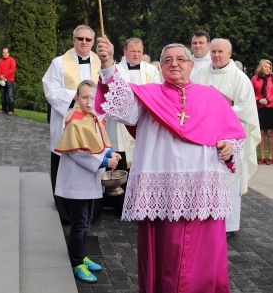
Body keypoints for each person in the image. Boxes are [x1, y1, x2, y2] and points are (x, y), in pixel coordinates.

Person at [94, 38, 245, 293]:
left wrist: (230, 148)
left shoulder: (212, 98)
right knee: (165, 253)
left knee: (203, 257)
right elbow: (121, 106)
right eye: (167, 60)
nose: (174, 64)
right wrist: (108, 64)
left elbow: (234, 136)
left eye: (181, 59)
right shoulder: (147, 96)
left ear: (191, 66)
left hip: (201, 191)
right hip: (163, 191)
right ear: (160, 67)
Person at [54, 80, 121, 283]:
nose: (89, 101)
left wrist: (110, 151)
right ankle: (76, 262)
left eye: (93, 97)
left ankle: (81, 254)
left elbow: (97, 142)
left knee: (87, 219)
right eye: (85, 97)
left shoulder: (92, 118)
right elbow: (77, 153)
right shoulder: (75, 121)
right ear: (76, 99)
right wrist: (103, 160)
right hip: (77, 181)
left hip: (88, 180)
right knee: (80, 223)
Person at [192, 38, 259, 234]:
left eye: (221, 52)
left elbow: (246, 110)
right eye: (213, 51)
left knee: (228, 181)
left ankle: (228, 226)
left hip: (230, 139)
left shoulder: (239, 78)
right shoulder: (200, 74)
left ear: (230, 54)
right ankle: (204, 220)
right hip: (204, 138)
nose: (216, 55)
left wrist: (216, 111)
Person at [42, 25, 100, 222]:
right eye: (80, 38)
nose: (84, 42)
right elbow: (50, 89)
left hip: (94, 122)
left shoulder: (101, 63)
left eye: (88, 39)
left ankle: (93, 207)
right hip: (67, 120)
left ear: (93, 42)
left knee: (92, 159)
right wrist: (77, 99)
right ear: (73, 40)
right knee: (66, 159)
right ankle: (65, 210)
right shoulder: (59, 63)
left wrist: (93, 104)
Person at [104, 38, 161, 213]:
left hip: (144, 122)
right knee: (122, 160)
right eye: (132, 51)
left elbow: (157, 93)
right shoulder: (116, 71)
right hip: (120, 124)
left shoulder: (152, 70)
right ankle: (119, 204)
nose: (136, 55)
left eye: (139, 51)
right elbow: (109, 91)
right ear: (125, 52)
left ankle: (142, 203)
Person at [251, 59, 273, 165]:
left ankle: (271, 156)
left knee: (270, 132)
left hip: (271, 107)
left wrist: (268, 100)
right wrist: (259, 100)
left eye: (269, 67)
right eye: (266, 66)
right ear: (261, 67)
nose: (268, 68)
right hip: (260, 107)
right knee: (262, 132)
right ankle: (262, 156)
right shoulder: (255, 79)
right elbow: (250, 91)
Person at [0, 48, 16, 115]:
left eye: (6, 52)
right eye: (3, 52)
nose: (4, 54)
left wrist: (4, 76)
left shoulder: (11, 60)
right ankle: (4, 109)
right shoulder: (0, 60)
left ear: (8, 53)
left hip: (9, 80)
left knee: (10, 96)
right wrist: (0, 76)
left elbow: (12, 69)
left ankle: (11, 110)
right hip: (1, 80)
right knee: (2, 96)